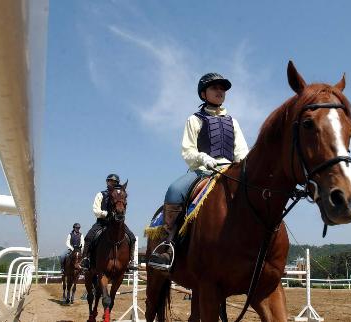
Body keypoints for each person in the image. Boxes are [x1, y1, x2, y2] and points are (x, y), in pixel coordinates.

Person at [148, 73, 249, 270]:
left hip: (230, 170)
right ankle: (168, 244)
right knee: (174, 190)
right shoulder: (194, 120)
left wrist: (244, 165)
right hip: (203, 170)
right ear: (204, 94)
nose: (220, 92)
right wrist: (204, 159)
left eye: (222, 89)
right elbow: (188, 150)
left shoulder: (233, 122)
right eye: (215, 88)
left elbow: (242, 150)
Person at [80, 174, 137, 270]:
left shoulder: (120, 194)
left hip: (117, 223)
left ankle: (131, 261)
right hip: (102, 222)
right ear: (107, 182)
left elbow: (122, 206)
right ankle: (86, 259)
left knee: (132, 237)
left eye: (114, 182)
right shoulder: (100, 194)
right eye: (110, 181)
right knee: (88, 237)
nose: (112, 183)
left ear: (117, 183)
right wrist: (106, 214)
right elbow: (96, 211)